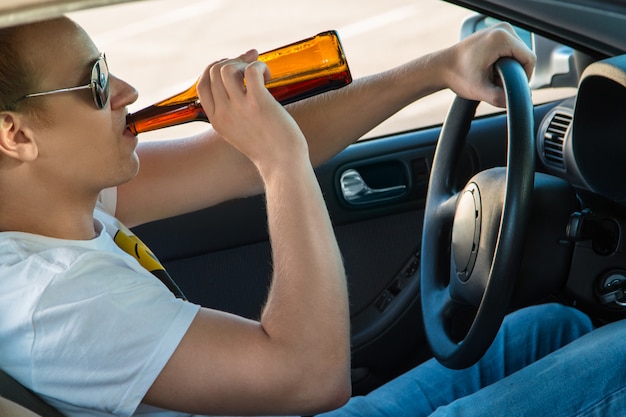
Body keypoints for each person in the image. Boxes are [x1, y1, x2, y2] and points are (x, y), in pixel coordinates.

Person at [0, 12, 550, 417]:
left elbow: (229, 161)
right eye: (96, 81)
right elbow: (310, 378)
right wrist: (279, 159)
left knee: (548, 330)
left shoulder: (58, 201)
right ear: (16, 134)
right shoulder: (57, 301)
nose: (127, 91)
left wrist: (437, 69)